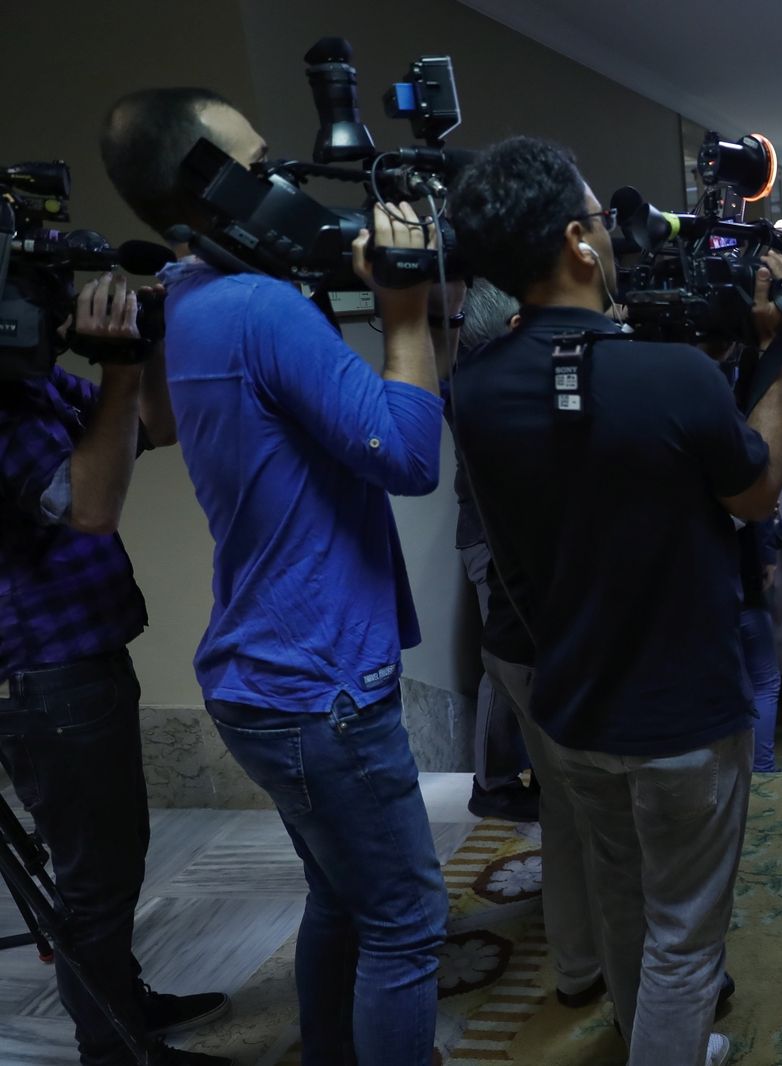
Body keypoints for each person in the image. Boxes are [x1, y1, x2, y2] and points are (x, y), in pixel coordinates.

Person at [102, 88, 451, 1066]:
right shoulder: (256, 306)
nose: (282, 181)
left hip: (264, 676)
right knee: (405, 917)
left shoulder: (192, 296)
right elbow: (407, 454)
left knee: (341, 896)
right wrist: (407, 315)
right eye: (260, 166)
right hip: (320, 687)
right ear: (208, 186)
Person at [448, 135, 782, 1066]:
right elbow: (755, 491)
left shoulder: (474, 389)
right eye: (604, 218)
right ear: (578, 243)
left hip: (570, 706)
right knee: (688, 934)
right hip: (683, 713)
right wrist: (776, 370)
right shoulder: (673, 376)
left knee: (621, 897)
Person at [0, 274, 231, 1066]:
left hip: (75, 666)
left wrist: (148, 343)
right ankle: (112, 1047)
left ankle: (121, 1004)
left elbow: (150, 429)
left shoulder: (29, 388)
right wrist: (121, 368)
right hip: (48, 676)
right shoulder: (4, 405)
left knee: (112, 859)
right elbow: (93, 507)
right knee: (95, 879)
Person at [452, 284, 606, 1011]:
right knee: (603, 816)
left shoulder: (477, 402)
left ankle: (579, 967)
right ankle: (610, 969)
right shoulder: (524, 414)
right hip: (552, 648)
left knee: (565, 811)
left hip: (518, 648)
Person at [451, 282, 540, 822]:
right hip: (488, 541)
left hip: (502, 539)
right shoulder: (480, 387)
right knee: (504, 661)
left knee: (516, 659)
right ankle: (494, 783)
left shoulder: (478, 380)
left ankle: (513, 776)